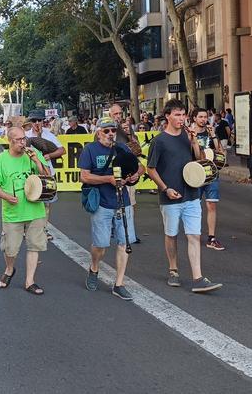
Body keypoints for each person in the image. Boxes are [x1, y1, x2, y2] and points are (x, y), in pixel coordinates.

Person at [145, 100, 222, 293]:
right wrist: (165, 189)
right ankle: (173, 270)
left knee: (194, 235)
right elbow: (151, 169)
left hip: (192, 194)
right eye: (177, 115)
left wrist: (194, 141)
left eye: (183, 115)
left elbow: (200, 159)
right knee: (171, 235)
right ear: (168, 116)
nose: (182, 119)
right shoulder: (159, 141)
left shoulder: (188, 137)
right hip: (171, 196)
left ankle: (198, 277)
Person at [79, 116, 144, 301]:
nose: (110, 134)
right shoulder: (90, 150)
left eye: (113, 130)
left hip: (122, 202)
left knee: (124, 243)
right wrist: (107, 179)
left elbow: (141, 167)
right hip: (102, 202)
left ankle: (119, 283)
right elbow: (84, 177)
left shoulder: (122, 148)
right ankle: (94, 268)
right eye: (106, 130)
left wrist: (134, 177)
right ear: (98, 132)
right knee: (100, 245)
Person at [0, 126, 52, 295]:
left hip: (35, 210)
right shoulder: (1, 160)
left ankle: (30, 281)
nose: (23, 142)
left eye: (24, 138)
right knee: (10, 249)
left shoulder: (33, 154)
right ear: (10, 141)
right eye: (18, 140)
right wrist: (6, 196)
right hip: (13, 212)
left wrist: (37, 161)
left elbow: (48, 177)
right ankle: (10, 269)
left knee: (34, 246)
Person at [25, 112, 66, 236]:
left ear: (43, 121)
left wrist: (49, 155)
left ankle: (44, 229)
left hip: (47, 173)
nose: (37, 123)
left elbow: (62, 150)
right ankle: (28, 228)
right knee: (29, 201)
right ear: (31, 122)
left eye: (39, 120)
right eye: (34, 121)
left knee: (46, 202)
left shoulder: (49, 135)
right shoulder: (26, 135)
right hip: (30, 173)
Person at [191, 108, 225, 250]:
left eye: (205, 117)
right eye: (200, 117)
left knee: (211, 205)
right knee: (194, 206)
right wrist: (193, 139)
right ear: (194, 118)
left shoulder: (211, 133)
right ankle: (194, 233)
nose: (203, 119)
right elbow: (196, 155)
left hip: (212, 173)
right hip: (196, 173)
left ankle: (212, 237)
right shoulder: (189, 133)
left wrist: (214, 136)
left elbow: (220, 152)